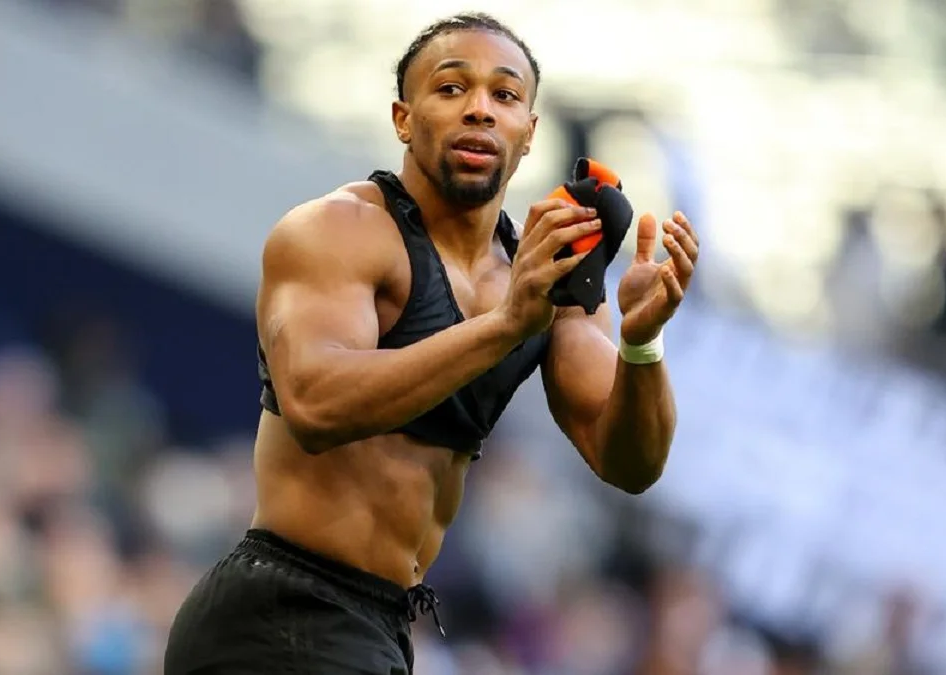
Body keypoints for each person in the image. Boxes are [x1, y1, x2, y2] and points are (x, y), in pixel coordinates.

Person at [163, 11, 700, 675]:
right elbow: (314, 404)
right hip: (283, 608)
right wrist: (503, 324)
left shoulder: (542, 277)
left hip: (378, 623)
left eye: (504, 95)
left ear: (528, 133)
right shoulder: (338, 231)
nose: (479, 108)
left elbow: (630, 464)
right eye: (450, 88)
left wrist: (642, 345)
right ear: (403, 119)